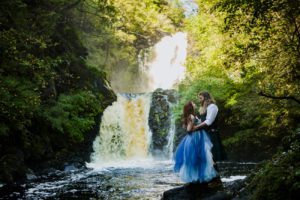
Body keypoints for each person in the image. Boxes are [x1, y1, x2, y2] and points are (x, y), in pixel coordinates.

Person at [173, 101, 218, 186]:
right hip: (195, 138)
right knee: (196, 158)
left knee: (197, 158)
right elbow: (188, 130)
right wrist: (194, 127)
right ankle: (197, 178)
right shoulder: (191, 116)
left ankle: (196, 178)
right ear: (190, 107)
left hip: (197, 137)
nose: (194, 104)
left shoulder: (191, 116)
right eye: (193, 103)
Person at [192, 91, 227, 186]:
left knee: (212, 157)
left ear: (206, 97)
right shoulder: (204, 108)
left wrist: (196, 127)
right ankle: (209, 178)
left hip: (212, 134)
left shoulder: (212, 107)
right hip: (205, 134)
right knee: (206, 157)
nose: (199, 100)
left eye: (200, 98)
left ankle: (217, 180)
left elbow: (209, 122)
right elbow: (203, 120)